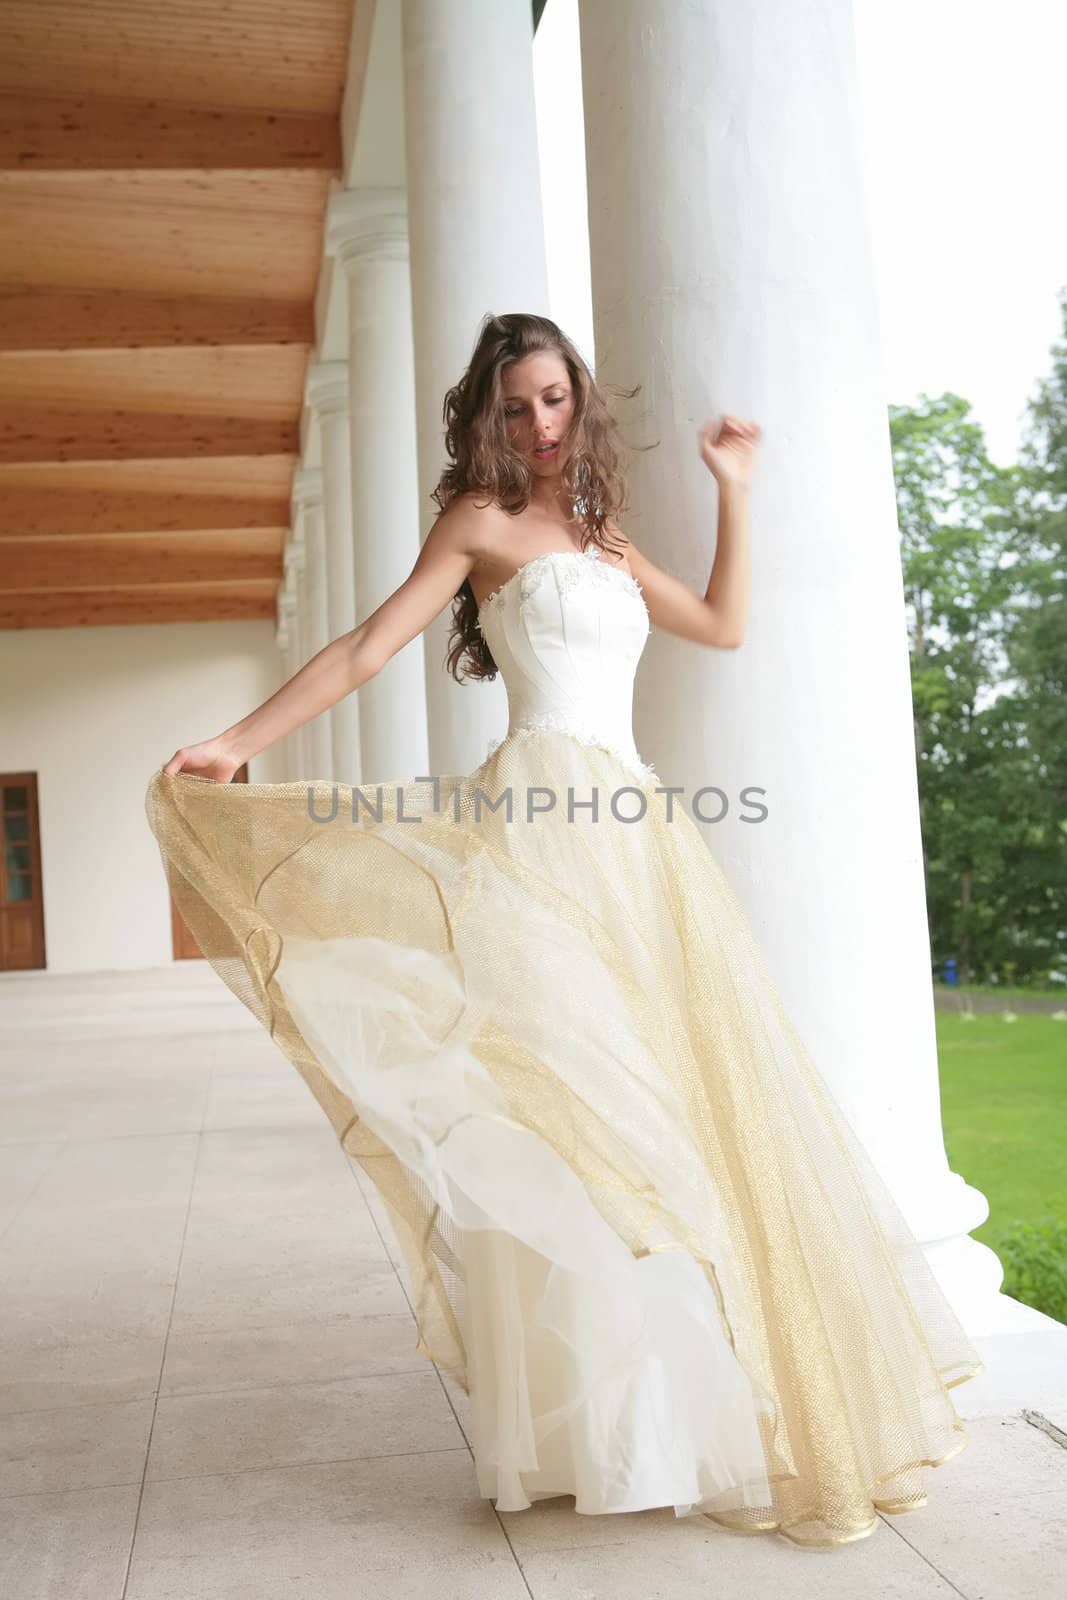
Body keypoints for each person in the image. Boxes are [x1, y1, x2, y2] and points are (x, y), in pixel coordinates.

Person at [145, 312, 983, 1548]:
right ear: (488, 419)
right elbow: (366, 647)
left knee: (679, 1106)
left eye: (553, 400)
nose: (539, 425)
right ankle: (588, 1430)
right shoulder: (478, 527)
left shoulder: (602, 538)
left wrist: (735, 488)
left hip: (637, 838)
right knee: (569, 1111)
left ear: (577, 402)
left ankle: (682, 1419)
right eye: (516, 407)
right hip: (536, 828)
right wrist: (236, 743)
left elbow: (719, 625)